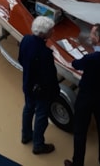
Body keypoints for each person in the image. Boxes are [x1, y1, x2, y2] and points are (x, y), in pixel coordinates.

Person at [65, 23, 100, 166]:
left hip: (86, 98)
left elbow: (76, 64)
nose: (90, 35)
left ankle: (78, 163)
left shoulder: (90, 59)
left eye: (92, 34)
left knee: (80, 131)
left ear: (98, 39)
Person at [18, 16, 59, 155]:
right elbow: (50, 76)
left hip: (28, 84)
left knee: (28, 109)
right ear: (43, 34)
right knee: (41, 116)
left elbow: (21, 59)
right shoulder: (45, 54)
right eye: (51, 30)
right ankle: (38, 145)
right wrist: (55, 91)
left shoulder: (25, 40)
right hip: (41, 91)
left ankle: (26, 135)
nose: (53, 32)